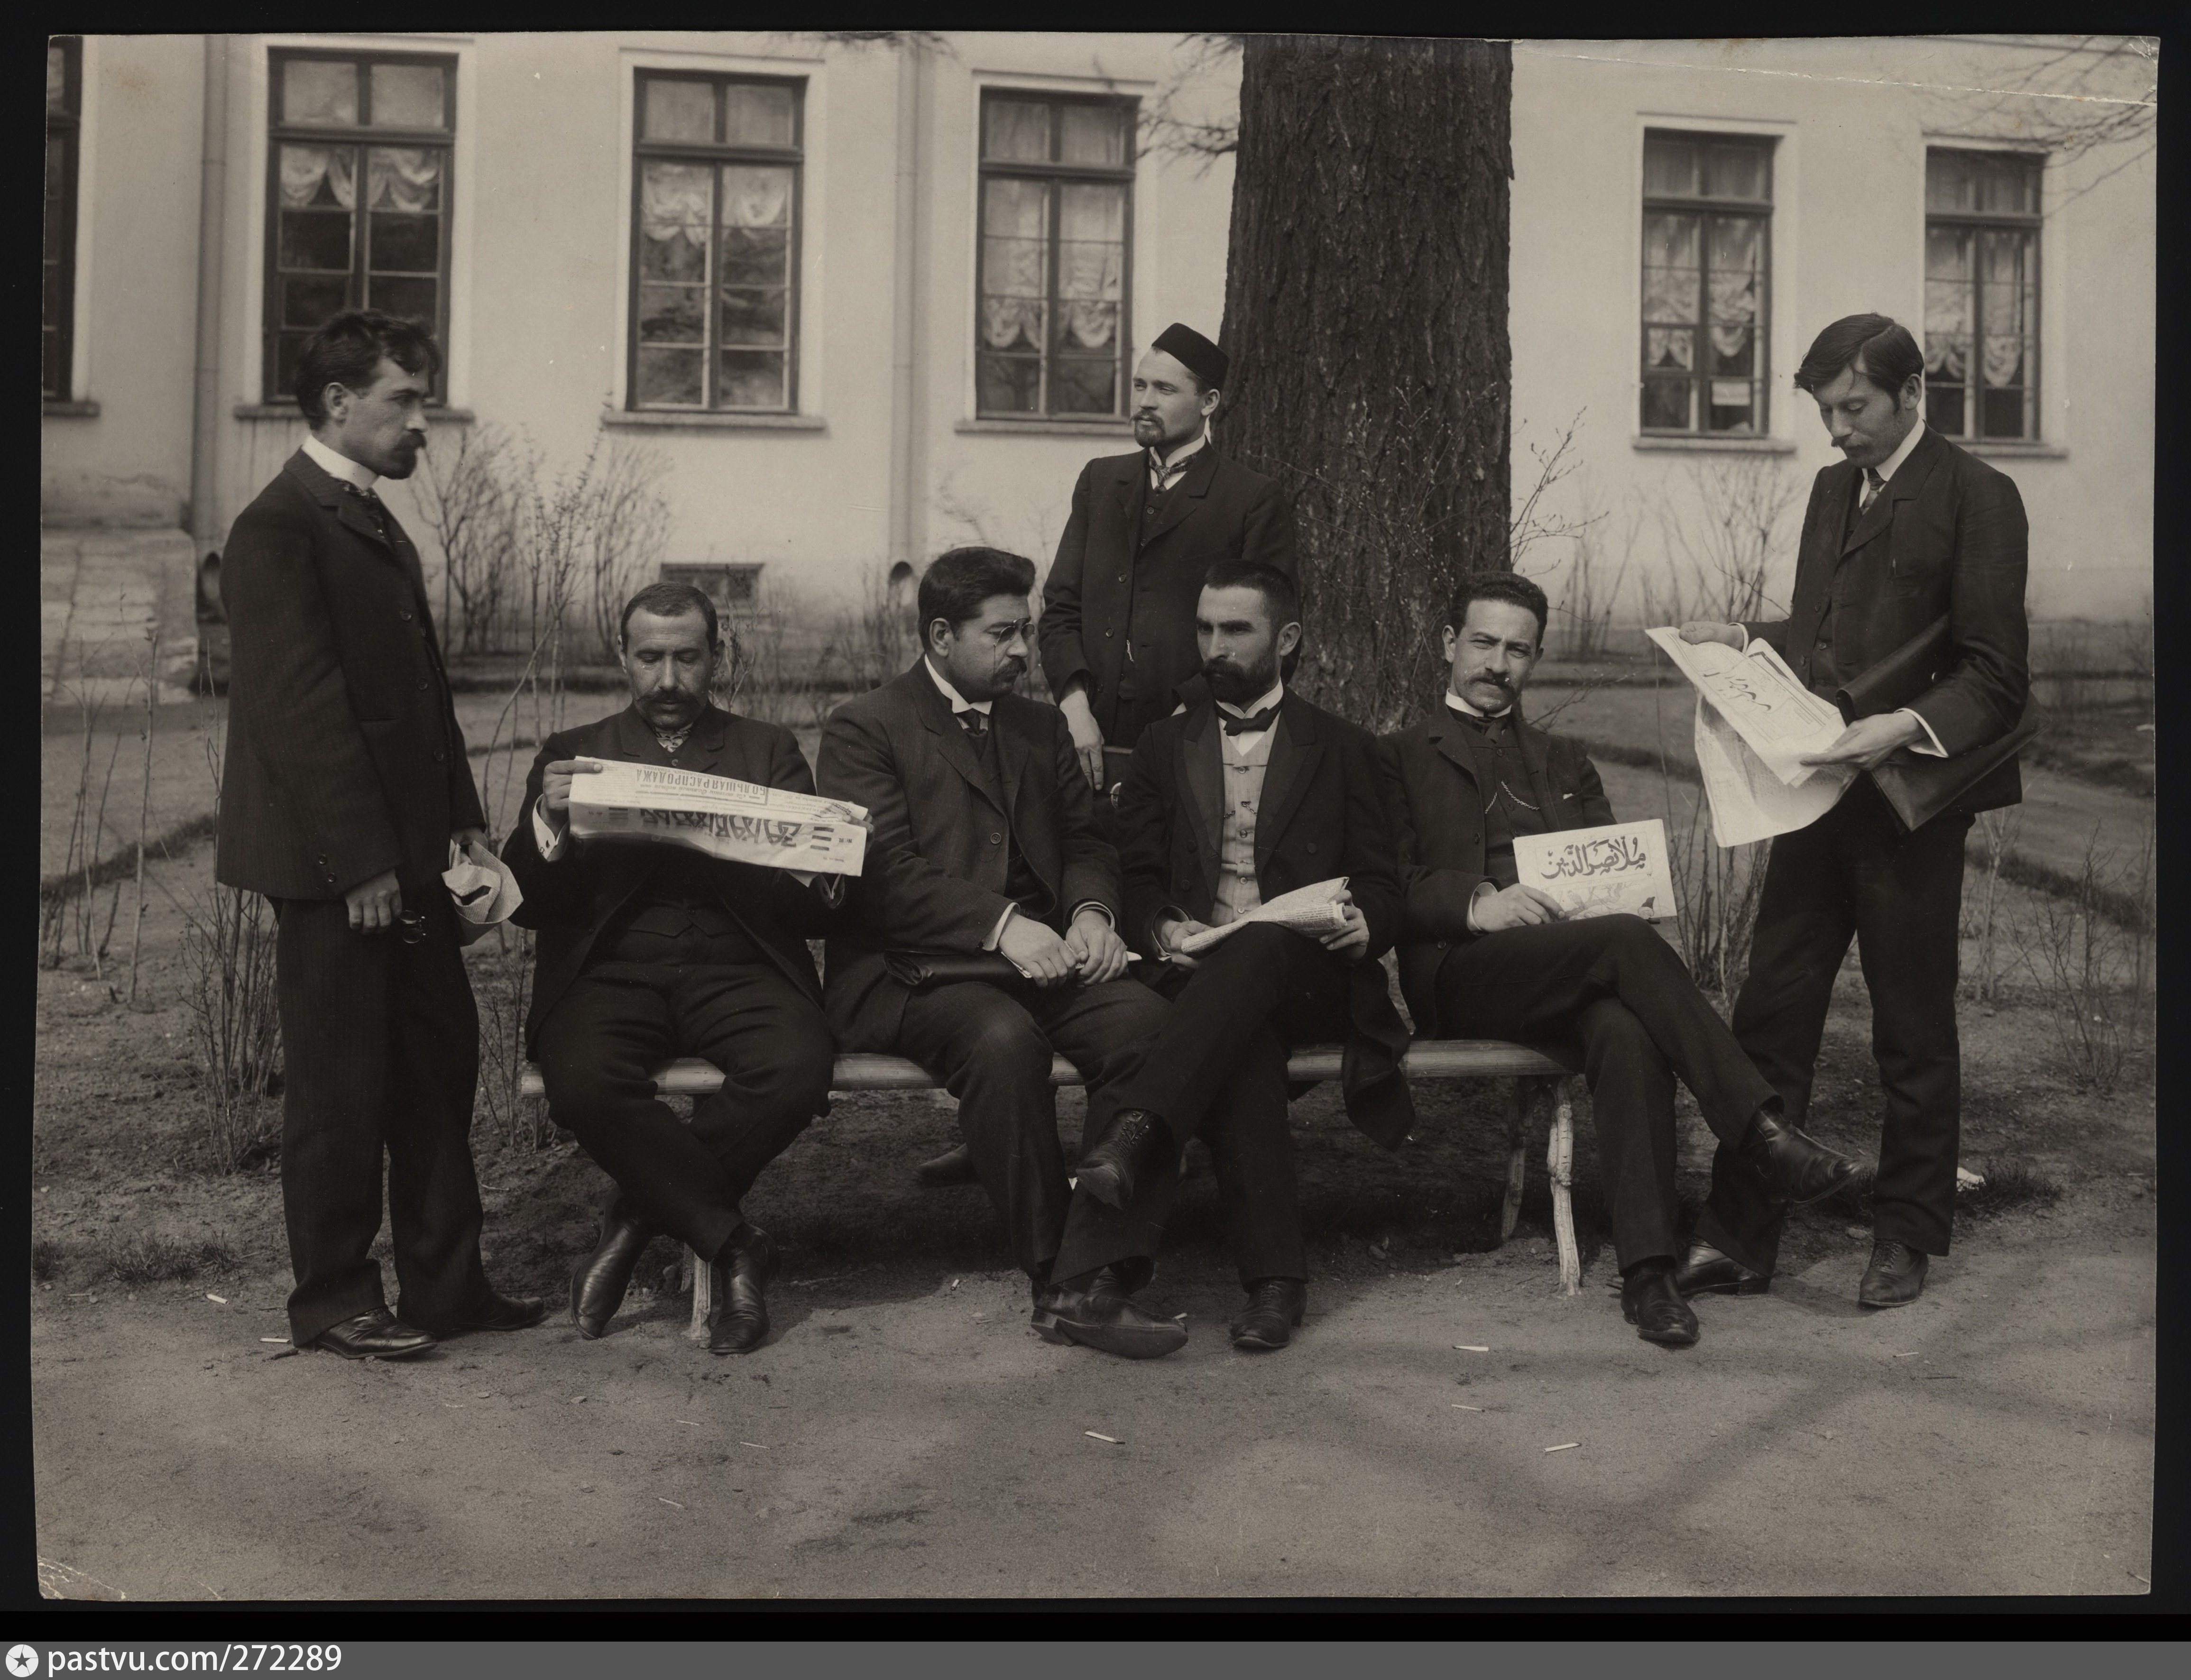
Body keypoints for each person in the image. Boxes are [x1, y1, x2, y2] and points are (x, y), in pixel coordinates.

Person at [1381, 573, 1868, 1347]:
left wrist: (1625, 890)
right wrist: (1477, 902)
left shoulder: (1566, 760)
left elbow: (1612, 878)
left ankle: (1649, 1274)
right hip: (1464, 972)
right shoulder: (1396, 757)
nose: (1498, 663)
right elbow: (1383, 886)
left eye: (1518, 649)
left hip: (1573, 968)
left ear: (1537, 657)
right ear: (1449, 643)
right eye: (1483, 642)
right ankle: (1762, 1132)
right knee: (1623, 946)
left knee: (1625, 1026)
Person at [1677, 313, 2031, 1310]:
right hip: (1817, 796)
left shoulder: (1979, 495)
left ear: (1913, 392)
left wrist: (1905, 726)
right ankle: (1739, 1236)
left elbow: (1997, 675)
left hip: (1911, 802)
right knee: (1771, 1011)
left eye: (1855, 407)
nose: (1836, 430)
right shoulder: (1836, 488)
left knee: (1910, 1029)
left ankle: (1906, 1233)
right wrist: (1740, 636)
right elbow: (1823, 637)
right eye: (1826, 411)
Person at [215, 310, 543, 1360]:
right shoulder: (278, 526)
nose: (421, 423)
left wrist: (461, 818)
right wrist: (360, 863)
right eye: (403, 400)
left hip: (412, 858)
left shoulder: (367, 514)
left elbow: (418, 693)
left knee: (435, 1069)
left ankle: (447, 1287)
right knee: (342, 1087)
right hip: (339, 870)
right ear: (337, 402)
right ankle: (334, 1300)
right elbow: (300, 712)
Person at [817, 547, 1185, 1359]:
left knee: (1150, 1025)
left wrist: (1092, 914)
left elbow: (1088, 840)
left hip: (1040, 960)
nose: (1024, 650)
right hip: (908, 971)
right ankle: (1057, 1281)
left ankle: (1099, 1265)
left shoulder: (1039, 725)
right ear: (941, 635)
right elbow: (883, 873)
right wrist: (1005, 923)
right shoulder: (865, 726)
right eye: (1004, 633)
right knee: (1002, 1038)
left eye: (1027, 631)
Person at [1049, 561, 1413, 1352]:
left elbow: (1387, 884)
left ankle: (1138, 1136)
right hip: (1199, 974)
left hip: (1311, 974)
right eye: (1206, 627)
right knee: (1241, 1042)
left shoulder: (1347, 748)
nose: (1214, 645)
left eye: (1236, 629)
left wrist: (1368, 922)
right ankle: (1270, 1283)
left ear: (1286, 638)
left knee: (1260, 945)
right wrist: (1162, 927)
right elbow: (1137, 874)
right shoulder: (1163, 744)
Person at [501, 584, 844, 1356]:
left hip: (740, 967)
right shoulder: (572, 753)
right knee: (581, 1076)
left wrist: (812, 854)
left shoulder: (767, 749)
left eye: (687, 658)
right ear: (623, 657)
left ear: (715, 657)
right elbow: (528, 904)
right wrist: (549, 820)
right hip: (612, 973)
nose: (667, 678)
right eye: (650, 657)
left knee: (797, 1066)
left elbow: (816, 905)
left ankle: (634, 1218)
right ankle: (736, 1245)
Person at [1039, 321, 1299, 804]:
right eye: (1140, 385)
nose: (1145, 401)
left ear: (1209, 402)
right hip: (1089, 744)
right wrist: (1074, 707)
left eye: (1164, 389)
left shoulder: (1250, 499)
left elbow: (1270, 638)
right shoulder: (1101, 482)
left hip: (1198, 744)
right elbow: (1060, 609)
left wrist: (1189, 721)